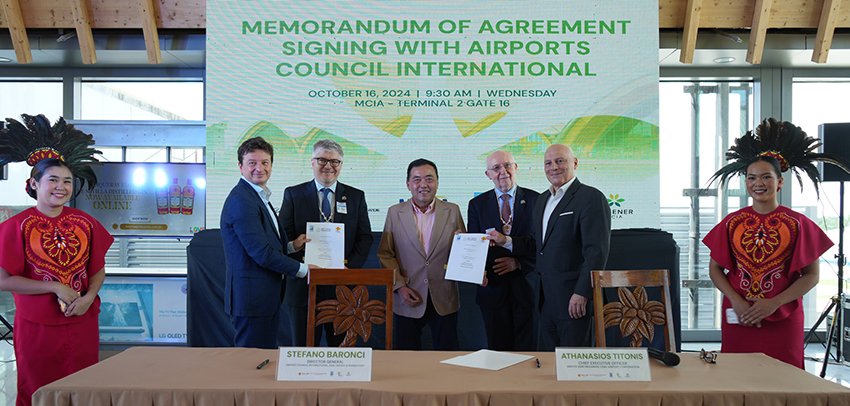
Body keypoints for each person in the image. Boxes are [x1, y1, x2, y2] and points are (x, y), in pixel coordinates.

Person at [704, 118, 846, 368]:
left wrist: (774, 302)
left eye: (766, 177)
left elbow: (811, 275)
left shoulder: (799, 223)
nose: (758, 183)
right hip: (740, 315)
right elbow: (715, 269)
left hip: (783, 317)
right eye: (751, 178)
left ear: (780, 182)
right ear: (746, 183)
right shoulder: (731, 223)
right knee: (736, 375)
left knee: (785, 377)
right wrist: (736, 300)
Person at [0, 114, 112, 406]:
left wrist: (89, 296)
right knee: (38, 389)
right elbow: (3, 280)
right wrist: (54, 287)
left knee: (83, 389)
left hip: (81, 320)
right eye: (52, 180)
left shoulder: (85, 222)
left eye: (67, 181)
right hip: (36, 325)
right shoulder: (15, 226)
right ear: (34, 184)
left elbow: (97, 270)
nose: (61, 186)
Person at [279, 139, 373, 346]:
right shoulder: (293, 194)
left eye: (335, 161)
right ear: (312, 162)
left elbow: (365, 237)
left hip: (342, 287)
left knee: (341, 350)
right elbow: (282, 237)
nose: (328, 166)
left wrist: (349, 268)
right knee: (303, 350)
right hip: (304, 283)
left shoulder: (356, 196)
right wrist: (295, 244)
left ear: (341, 165)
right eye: (322, 160)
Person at [221, 136, 309, 349]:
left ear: (271, 165)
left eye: (265, 162)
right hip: (252, 299)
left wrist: (292, 246)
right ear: (240, 166)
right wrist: (305, 270)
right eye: (252, 163)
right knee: (251, 361)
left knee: (262, 358)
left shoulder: (258, 196)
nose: (259, 168)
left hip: (263, 298)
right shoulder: (242, 200)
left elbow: (265, 244)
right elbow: (261, 253)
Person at [377, 158, 466, 350]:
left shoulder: (452, 211)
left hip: (444, 296)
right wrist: (400, 287)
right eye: (417, 179)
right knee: (406, 358)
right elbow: (385, 254)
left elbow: (463, 251)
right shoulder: (394, 212)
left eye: (429, 179)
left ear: (437, 182)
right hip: (407, 295)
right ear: (408, 184)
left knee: (447, 357)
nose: (423, 184)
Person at [531, 144, 611, 350]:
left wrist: (582, 292)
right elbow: (538, 245)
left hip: (574, 300)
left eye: (560, 161)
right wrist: (506, 241)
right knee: (549, 362)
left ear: (575, 163)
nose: (553, 167)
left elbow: (596, 252)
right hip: (545, 299)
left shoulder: (591, 198)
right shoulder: (542, 200)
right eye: (548, 163)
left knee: (575, 362)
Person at [467, 150, 540, 351]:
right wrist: (476, 272)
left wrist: (519, 263)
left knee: (527, 351)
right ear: (488, 174)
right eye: (496, 168)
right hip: (492, 290)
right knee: (497, 353)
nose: (503, 172)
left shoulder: (537, 200)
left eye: (507, 165)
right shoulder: (477, 205)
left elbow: (541, 245)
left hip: (526, 288)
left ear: (516, 168)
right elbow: (474, 246)